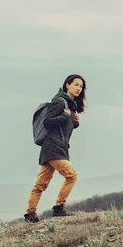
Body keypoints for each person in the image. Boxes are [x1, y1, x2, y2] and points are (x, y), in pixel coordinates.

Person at [24, 74, 87, 223]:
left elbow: (62, 127)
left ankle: (30, 213)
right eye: (76, 84)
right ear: (67, 85)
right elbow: (48, 122)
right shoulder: (59, 101)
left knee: (40, 184)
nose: (79, 88)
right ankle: (59, 208)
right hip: (53, 147)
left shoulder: (71, 105)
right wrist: (65, 117)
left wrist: (75, 122)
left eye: (81, 86)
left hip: (57, 147)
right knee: (71, 176)